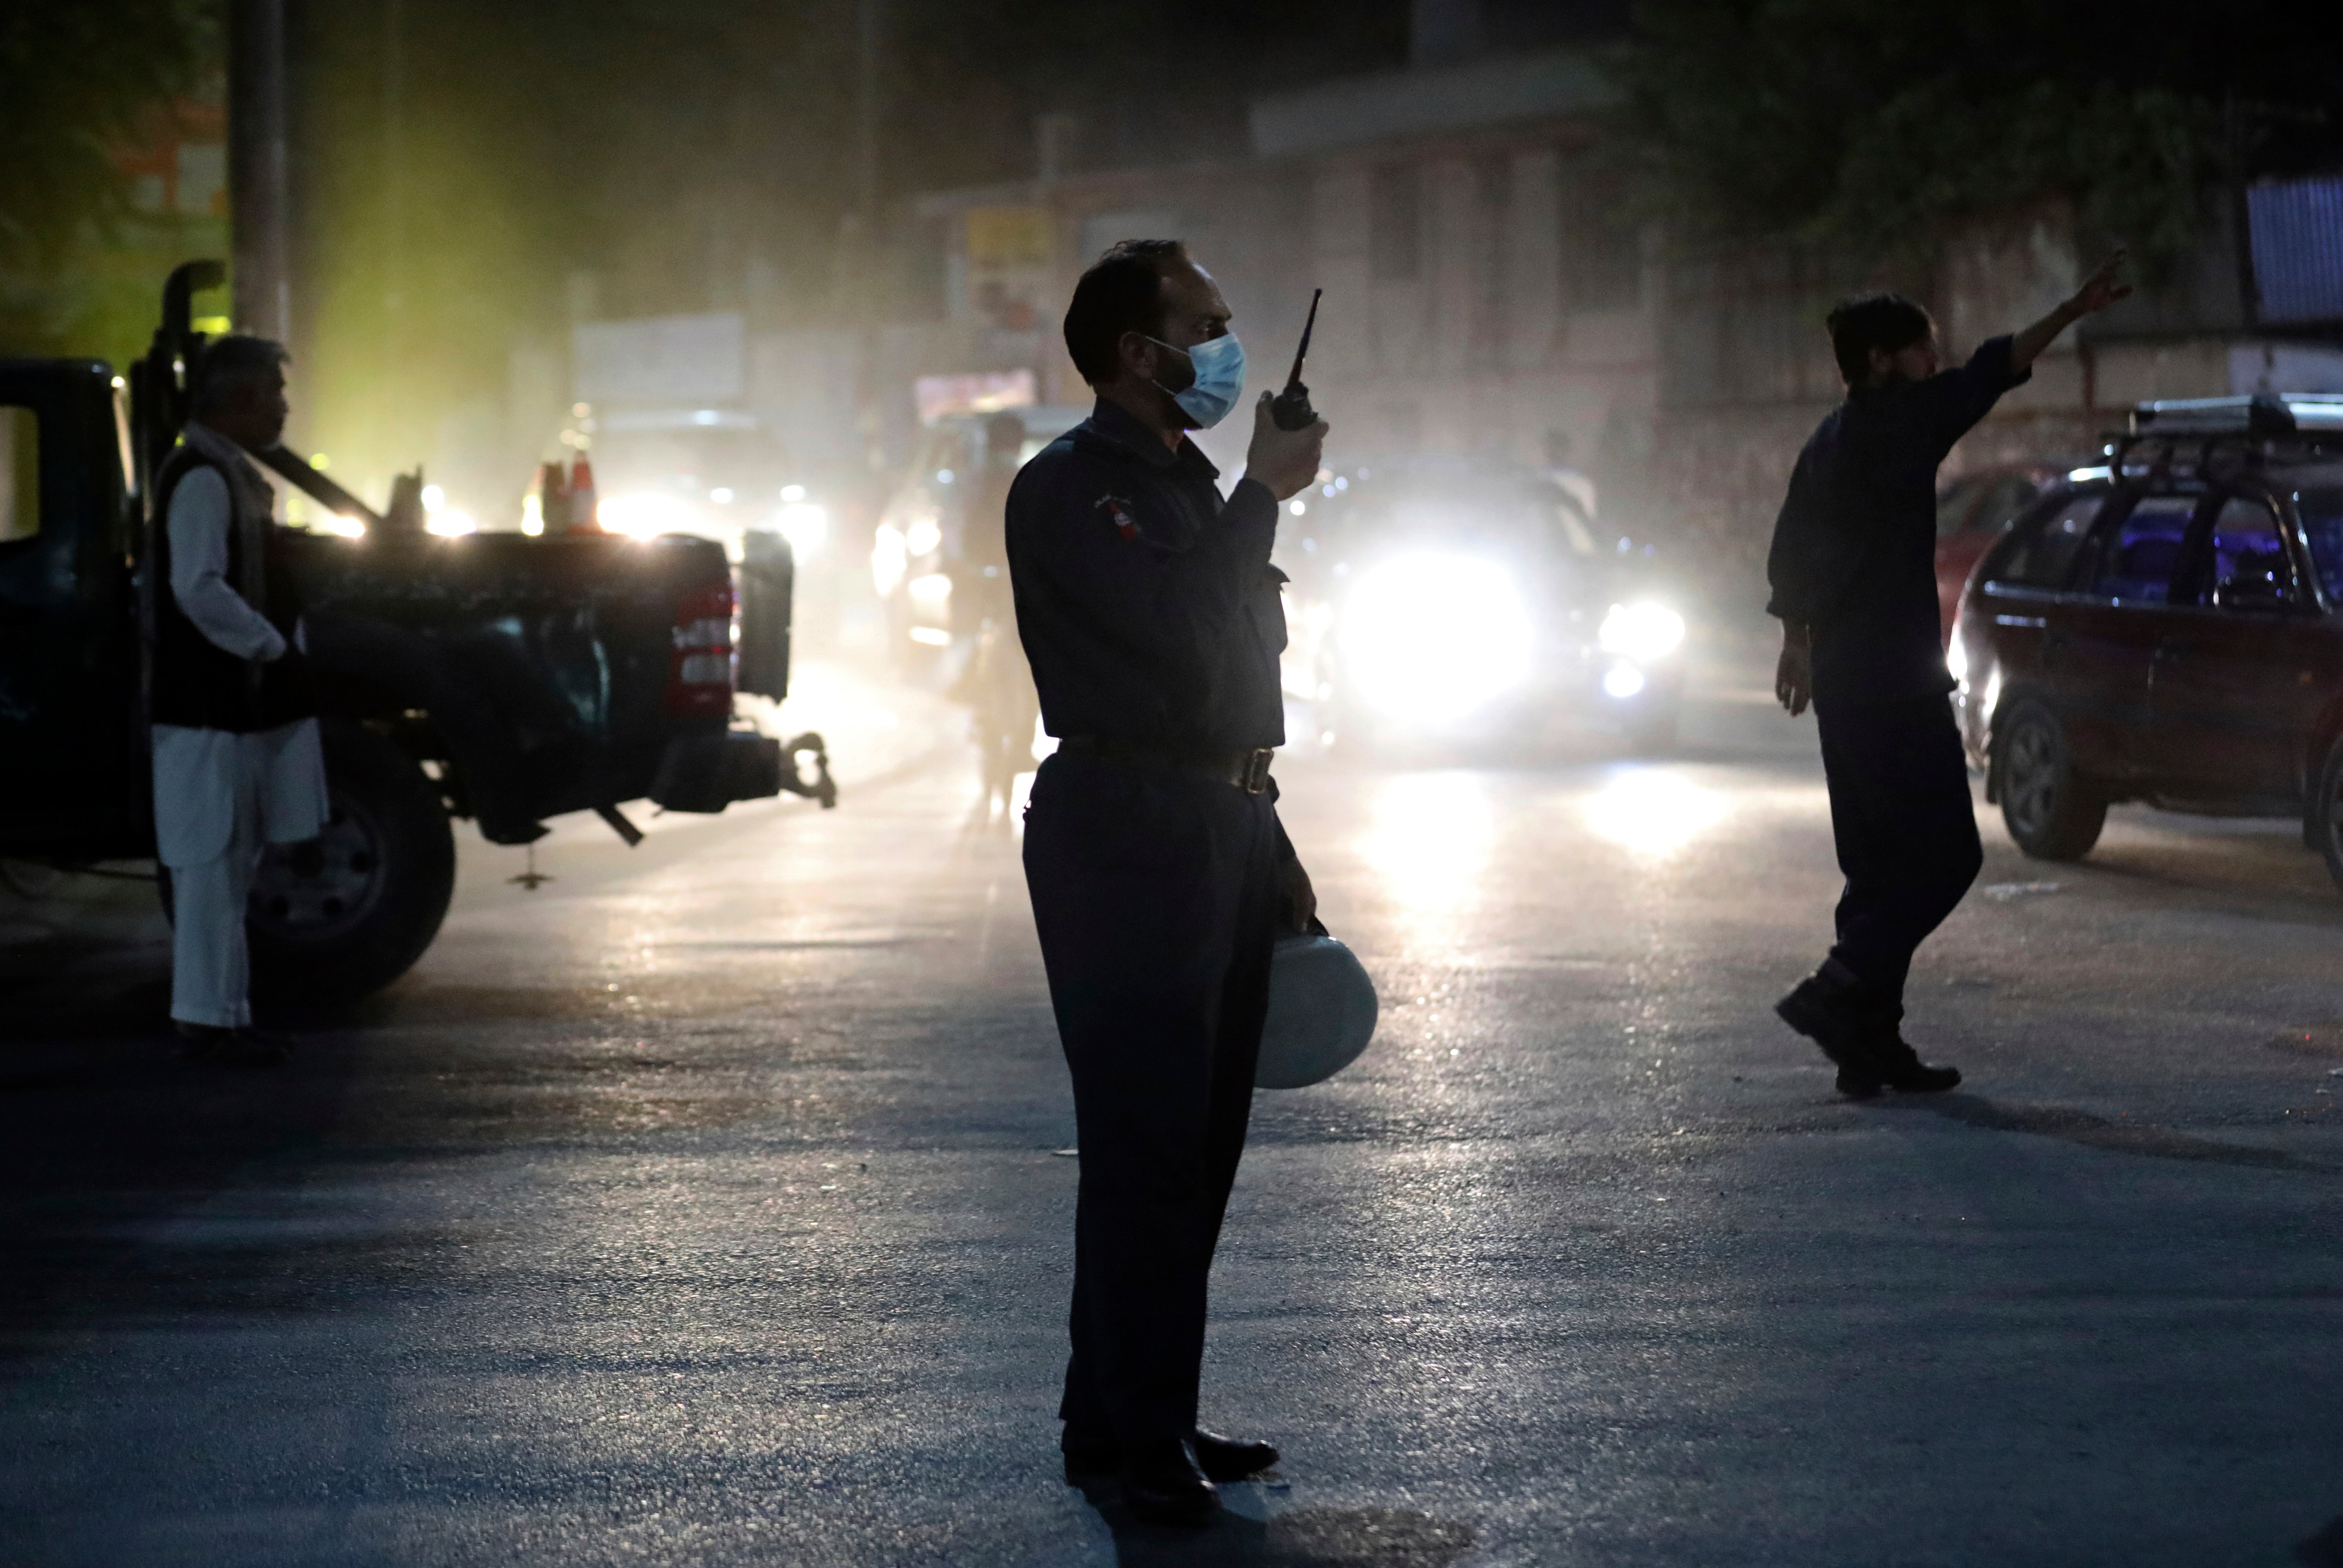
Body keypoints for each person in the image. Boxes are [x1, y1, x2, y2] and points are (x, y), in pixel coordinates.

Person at [1008, 239, 1326, 1527]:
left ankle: (1137, 1412)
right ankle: (1132, 1442)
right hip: (1127, 823)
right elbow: (1181, 645)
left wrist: (1278, 847)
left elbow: (1240, 692)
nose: (1224, 344)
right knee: (1144, 1146)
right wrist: (1262, 492)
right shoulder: (1077, 490)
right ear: (1137, 354)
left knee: (1194, 1150)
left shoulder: (1191, 493)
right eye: (1203, 323)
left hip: (1222, 819)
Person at [1767, 254, 2130, 1096]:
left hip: (1842, 682)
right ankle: (1837, 986)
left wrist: (1795, 645)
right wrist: (2072, 309)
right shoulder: (1903, 419)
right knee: (1946, 857)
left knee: (1875, 865)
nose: (1935, 358)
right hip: (1895, 680)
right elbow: (1992, 367)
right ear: (1885, 360)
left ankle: (1866, 1047)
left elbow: (1789, 550)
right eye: (1922, 348)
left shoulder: (1826, 439)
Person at [150, 335, 326, 1066]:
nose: (283, 407)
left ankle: (222, 1015)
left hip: (221, 712)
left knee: (224, 870)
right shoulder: (203, 477)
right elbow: (198, 586)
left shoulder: (220, 471)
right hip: (205, 713)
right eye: (275, 393)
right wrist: (269, 646)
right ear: (241, 396)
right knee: (209, 870)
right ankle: (207, 1022)